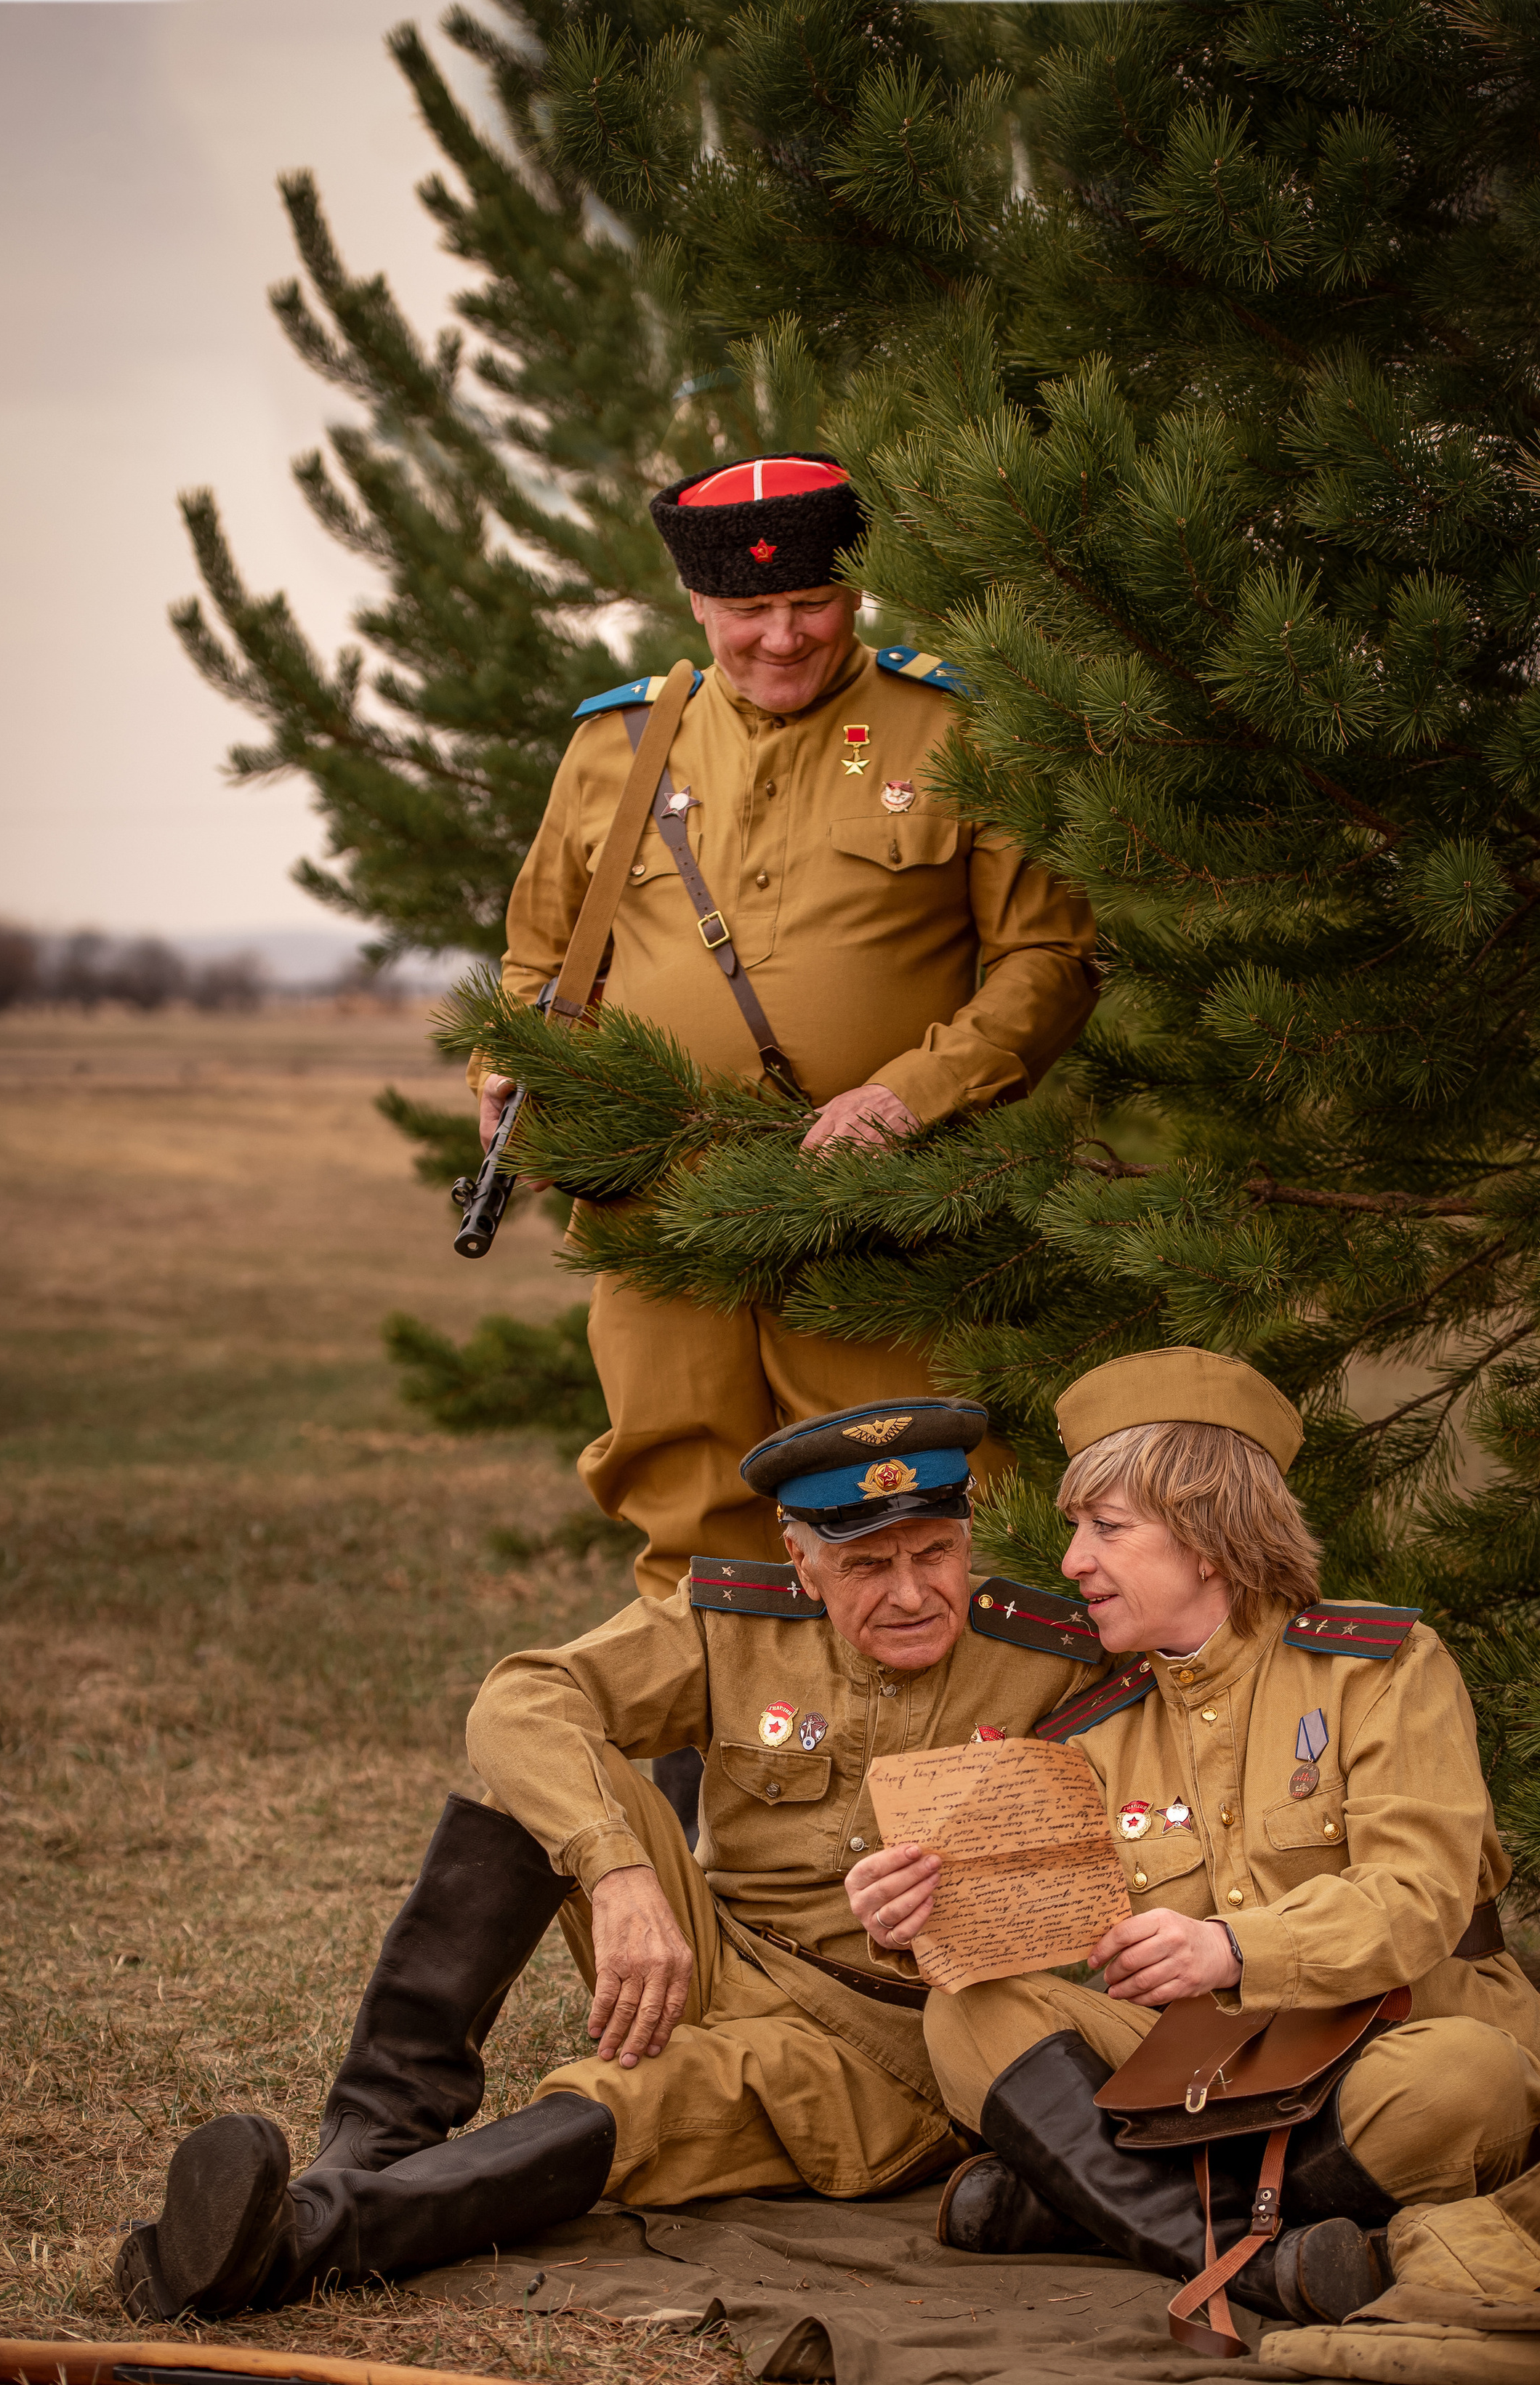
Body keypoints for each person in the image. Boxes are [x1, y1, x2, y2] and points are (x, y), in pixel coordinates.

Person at [116, 1400, 1105, 2322]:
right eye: (865, 1568)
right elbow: (519, 1700)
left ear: (968, 1533)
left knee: (631, 2099)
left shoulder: (1054, 1658)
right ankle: (380, 2126)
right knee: (531, 1768)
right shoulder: (735, 1624)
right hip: (713, 1948)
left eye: (934, 1553)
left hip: (879, 2041)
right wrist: (622, 1873)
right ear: (799, 1560)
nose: (911, 1592)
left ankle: (299, 2241)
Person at [842, 1349, 1540, 2330]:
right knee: (968, 2013)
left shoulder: (1381, 1671)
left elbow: (1418, 1900)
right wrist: (917, 1918)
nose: (1073, 1562)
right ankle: (1255, 2264)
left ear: (1208, 1539)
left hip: (1392, 2044)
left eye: (1106, 1529)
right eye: (1079, 1529)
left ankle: (1093, 2205)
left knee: (1467, 2081)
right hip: (1205, 2073)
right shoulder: (1099, 1727)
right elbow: (1023, 1926)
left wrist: (1235, 1948)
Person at [469, 452, 1098, 1597]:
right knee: (685, 1499)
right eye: (748, 611)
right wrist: (505, 1067)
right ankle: (716, 1772)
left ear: (855, 590)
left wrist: (916, 1093)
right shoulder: (620, 746)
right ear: (697, 604)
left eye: (811, 602)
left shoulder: (953, 727)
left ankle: (925, 1770)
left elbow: (1048, 955)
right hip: (658, 1199)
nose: (782, 637)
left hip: (869, 1199)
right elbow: (539, 958)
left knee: (901, 1501)